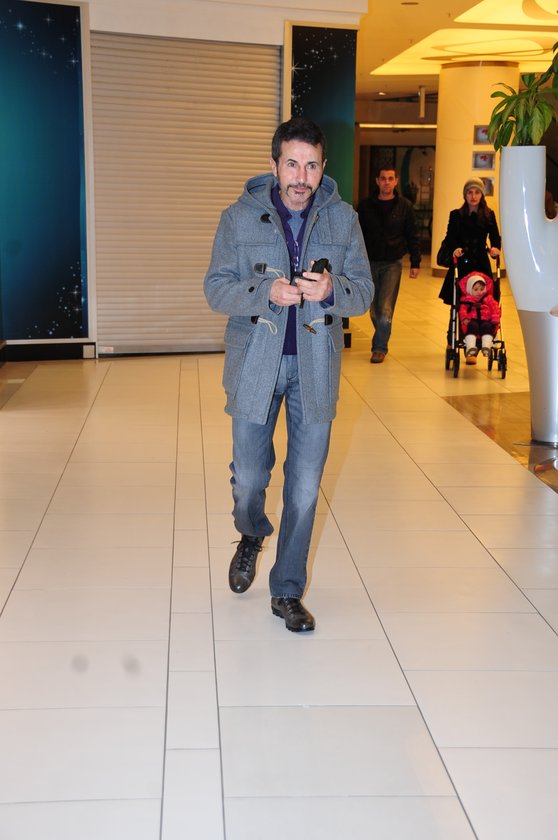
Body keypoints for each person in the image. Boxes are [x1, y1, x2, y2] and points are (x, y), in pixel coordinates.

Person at [204, 117, 373, 633]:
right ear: (275, 165)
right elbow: (216, 288)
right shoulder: (238, 218)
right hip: (256, 364)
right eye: (292, 164)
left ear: (324, 168)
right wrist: (264, 292)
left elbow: (364, 292)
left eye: (312, 166)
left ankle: (286, 591)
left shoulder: (343, 219)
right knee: (250, 479)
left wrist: (332, 290)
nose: (302, 177)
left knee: (303, 487)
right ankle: (252, 531)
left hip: (316, 368)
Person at [357, 167, 421, 363]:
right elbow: (357, 235)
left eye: (390, 178)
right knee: (374, 310)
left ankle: (379, 347)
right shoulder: (365, 206)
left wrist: (415, 262)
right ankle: (382, 336)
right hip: (369, 262)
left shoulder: (405, 206)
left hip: (393, 262)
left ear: (396, 181)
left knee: (385, 310)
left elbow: (413, 235)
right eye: (383, 178)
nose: (386, 182)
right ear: (377, 181)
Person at [438, 177, 501, 314]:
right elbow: (450, 237)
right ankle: (459, 326)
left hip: (481, 263)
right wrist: (455, 248)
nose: (473, 196)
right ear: (465, 195)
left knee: (484, 301)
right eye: (470, 192)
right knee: (460, 302)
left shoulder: (489, 215)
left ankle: (482, 325)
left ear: (481, 195)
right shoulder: (456, 215)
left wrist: (495, 248)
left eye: (477, 192)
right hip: (462, 263)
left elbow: (495, 236)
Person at [458, 272, 501, 365]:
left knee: (487, 327)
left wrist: (495, 317)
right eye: (476, 289)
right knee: (472, 326)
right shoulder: (466, 300)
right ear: (470, 290)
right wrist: (464, 318)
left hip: (486, 320)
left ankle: (486, 346)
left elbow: (495, 308)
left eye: (482, 289)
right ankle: (470, 347)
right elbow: (462, 310)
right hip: (472, 320)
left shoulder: (488, 299)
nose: (479, 292)